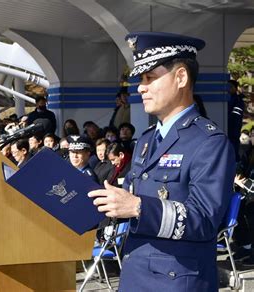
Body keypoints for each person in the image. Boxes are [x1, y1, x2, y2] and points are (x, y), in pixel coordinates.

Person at [88, 32, 235, 291]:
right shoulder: (146, 140)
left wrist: (138, 207)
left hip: (176, 282)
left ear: (181, 77)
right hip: (135, 274)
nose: (141, 87)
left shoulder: (210, 142)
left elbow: (204, 219)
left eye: (150, 78)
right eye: (141, 80)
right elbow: (129, 197)